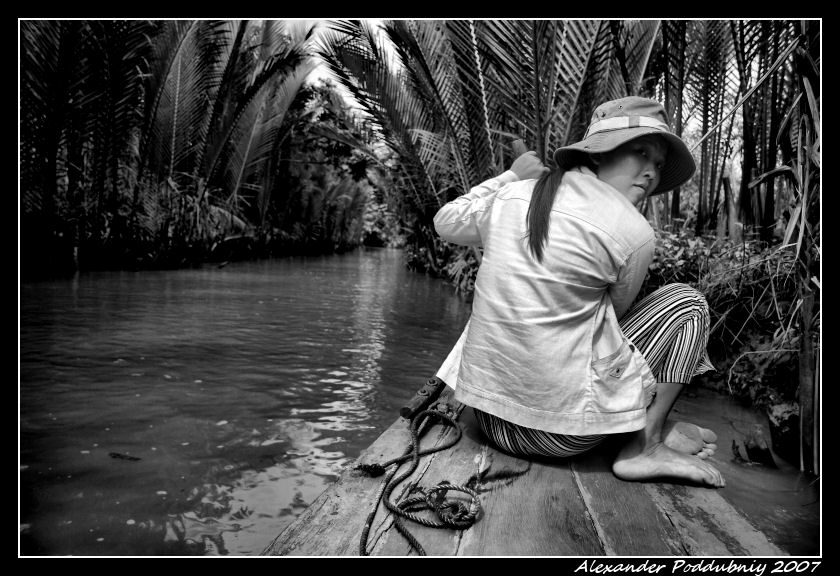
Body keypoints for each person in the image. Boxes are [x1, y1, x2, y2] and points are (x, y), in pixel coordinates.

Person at [433, 96, 724, 487]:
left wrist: (510, 177)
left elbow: (446, 221)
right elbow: (613, 324)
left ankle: (642, 427)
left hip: (485, 417)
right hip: (558, 439)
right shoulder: (634, 232)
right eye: (641, 152)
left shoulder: (513, 195)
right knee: (688, 304)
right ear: (599, 154)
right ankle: (645, 445)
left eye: (657, 164)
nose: (652, 173)